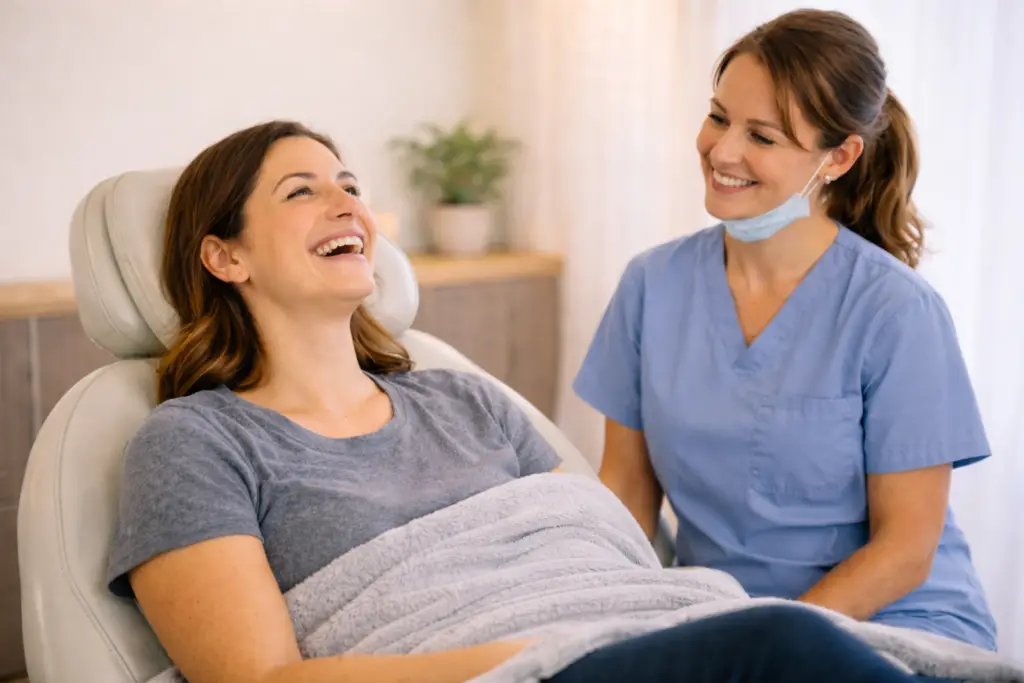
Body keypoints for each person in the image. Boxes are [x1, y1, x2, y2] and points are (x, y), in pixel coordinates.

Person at [105, 118, 962, 683]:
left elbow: (611, 556)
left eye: (351, 184)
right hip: (522, 670)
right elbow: (256, 679)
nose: (350, 205)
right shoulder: (196, 441)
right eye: (304, 192)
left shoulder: (465, 398)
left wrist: (613, 631)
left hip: (621, 642)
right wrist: (532, 653)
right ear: (225, 257)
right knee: (785, 646)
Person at [574, 7, 998, 654]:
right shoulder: (650, 287)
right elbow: (627, 495)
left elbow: (906, 550)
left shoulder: (895, 312)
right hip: (723, 625)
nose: (722, 151)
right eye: (718, 116)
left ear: (840, 156)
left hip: (892, 628)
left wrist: (764, 643)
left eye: (762, 137)